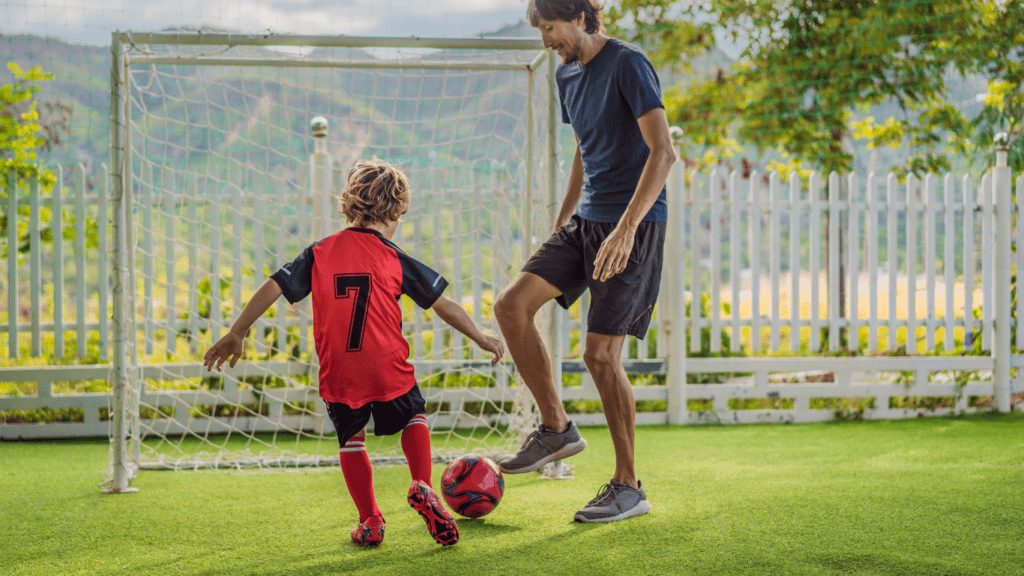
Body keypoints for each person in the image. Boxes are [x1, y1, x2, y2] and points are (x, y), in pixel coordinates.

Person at [203, 160, 505, 547]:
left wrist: (236, 332)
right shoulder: (393, 256)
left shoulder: (319, 252)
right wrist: (480, 335)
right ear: (395, 212)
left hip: (339, 370)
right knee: (414, 416)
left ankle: (371, 520)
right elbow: (442, 304)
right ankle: (423, 486)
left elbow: (274, 285)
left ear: (347, 205)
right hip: (387, 363)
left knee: (352, 439)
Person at [492, 0, 676, 523]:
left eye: (550, 28)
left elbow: (662, 152)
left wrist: (626, 227)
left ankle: (628, 486)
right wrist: (565, 216)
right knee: (511, 306)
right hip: (586, 223)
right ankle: (556, 427)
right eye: (542, 31)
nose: (546, 40)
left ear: (578, 16)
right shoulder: (566, 74)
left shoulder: (628, 63)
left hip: (633, 226)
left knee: (600, 356)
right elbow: (582, 147)